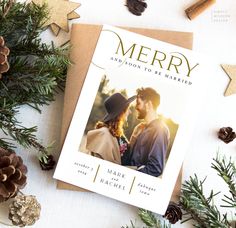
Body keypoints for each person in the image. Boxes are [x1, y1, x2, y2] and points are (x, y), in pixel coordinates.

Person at [129, 87, 170, 177]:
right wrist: (134, 137)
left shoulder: (160, 129)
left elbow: (155, 169)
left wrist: (128, 174)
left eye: (138, 103)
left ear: (148, 104)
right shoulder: (140, 128)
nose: (136, 107)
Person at [86, 93, 135, 165]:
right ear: (122, 112)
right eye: (128, 109)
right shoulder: (104, 133)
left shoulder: (117, 131)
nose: (130, 112)